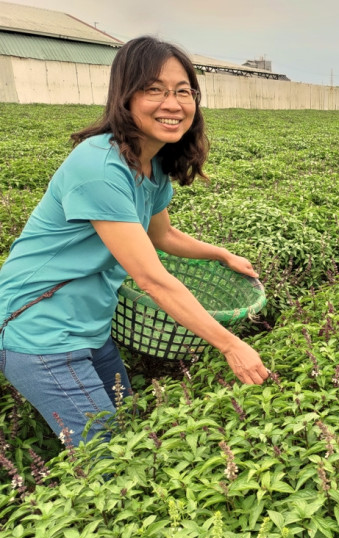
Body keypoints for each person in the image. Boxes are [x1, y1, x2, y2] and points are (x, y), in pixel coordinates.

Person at [0, 36, 270, 444]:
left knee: (127, 431)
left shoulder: (151, 164)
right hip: (40, 331)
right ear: (124, 97)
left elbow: (161, 235)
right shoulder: (99, 166)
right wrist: (230, 345)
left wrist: (222, 253)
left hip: (88, 326)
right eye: (154, 90)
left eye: (183, 91)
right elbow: (151, 278)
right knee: (107, 457)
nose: (173, 103)